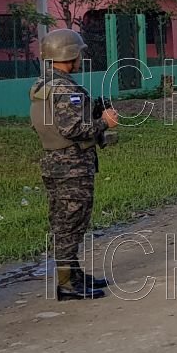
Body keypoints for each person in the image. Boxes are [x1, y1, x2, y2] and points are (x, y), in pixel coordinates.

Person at [29, 28, 119, 301]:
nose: (80, 59)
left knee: (66, 222)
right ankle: (67, 284)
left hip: (54, 162)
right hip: (71, 166)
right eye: (78, 54)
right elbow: (72, 129)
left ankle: (73, 275)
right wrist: (104, 123)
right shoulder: (66, 89)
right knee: (70, 224)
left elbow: (47, 124)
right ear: (69, 55)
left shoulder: (43, 85)